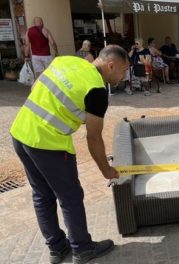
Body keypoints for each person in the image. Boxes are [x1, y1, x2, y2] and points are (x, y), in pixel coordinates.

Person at [10, 45, 129, 263]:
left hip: (20, 133)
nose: (123, 77)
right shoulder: (96, 91)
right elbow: (93, 137)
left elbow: (35, 86)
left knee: (42, 195)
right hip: (48, 144)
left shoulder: (65, 61)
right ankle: (82, 248)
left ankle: (56, 248)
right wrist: (106, 169)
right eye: (122, 71)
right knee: (70, 197)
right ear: (111, 65)